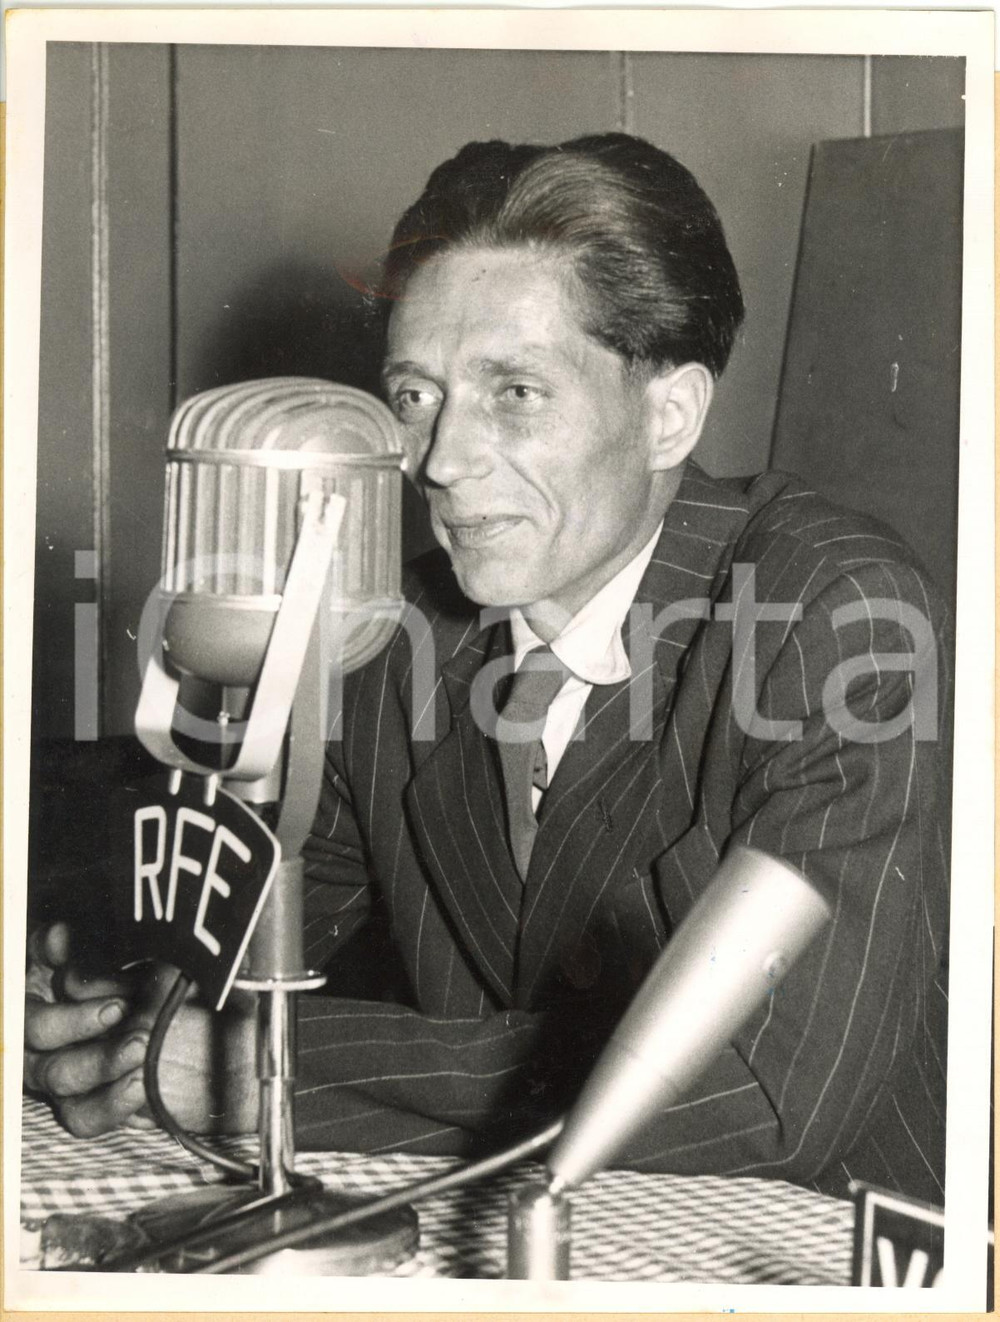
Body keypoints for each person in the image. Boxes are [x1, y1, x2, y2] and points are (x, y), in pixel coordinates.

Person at [23, 133, 950, 1203]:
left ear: (669, 415)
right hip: (543, 1222)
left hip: (831, 1239)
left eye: (514, 391)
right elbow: (249, 929)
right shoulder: (392, 633)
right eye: (416, 395)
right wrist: (117, 997)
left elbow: (767, 1088)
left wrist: (262, 1071)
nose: (441, 463)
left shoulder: (839, 610)